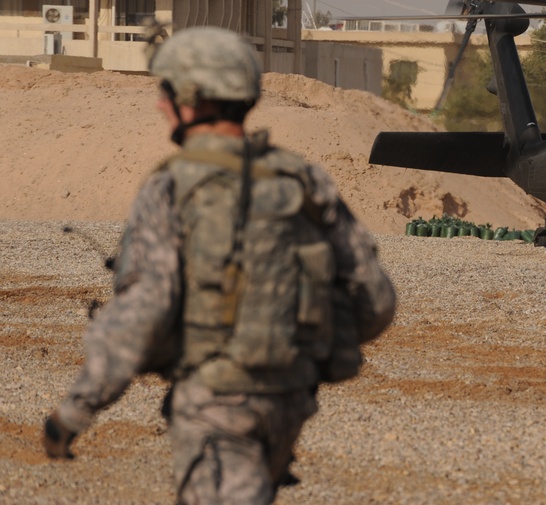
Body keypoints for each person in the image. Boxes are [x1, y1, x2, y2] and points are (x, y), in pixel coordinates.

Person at [42, 26, 396, 504]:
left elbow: (145, 311)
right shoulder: (304, 178)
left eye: (165, 91)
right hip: (291, 402)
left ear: (191, 98)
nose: (158, 104)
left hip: (214, 406)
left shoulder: (171, 187)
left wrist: (75, 411)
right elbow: (375, 301)